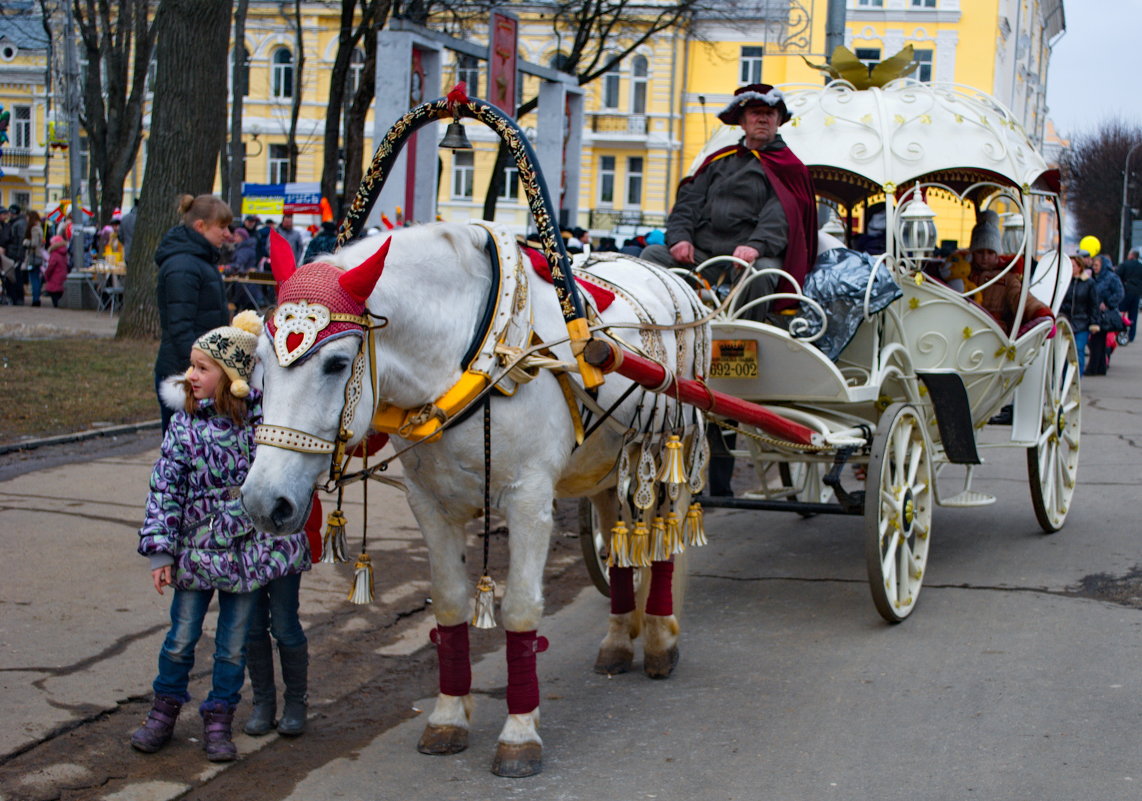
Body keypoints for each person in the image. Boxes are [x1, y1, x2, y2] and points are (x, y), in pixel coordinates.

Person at [131, 312, 312, 762]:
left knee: (232, 648)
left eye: (202, 367)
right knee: (181, 637)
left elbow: (270, 488)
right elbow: (165, 489)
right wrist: (160, 552)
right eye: (190, 366)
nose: (190, 376)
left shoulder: (263, 428)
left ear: (232, 377)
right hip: (194, 554)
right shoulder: (185, 427)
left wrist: (231, 527)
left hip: (245, 559)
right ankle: (163, 712)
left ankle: (218, 720)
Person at [641, 82, 818, 324]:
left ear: (778, 121)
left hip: (753, 256)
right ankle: (663, 331)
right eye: (756, 113)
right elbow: (687, 204)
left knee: (761, 273)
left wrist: (756, 245)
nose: (763, 119)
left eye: (770, 114)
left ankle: (742, 341)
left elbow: (781, 214)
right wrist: (680, 238)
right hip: (705, 256)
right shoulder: (717, 162)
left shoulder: (790, 168)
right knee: (653, 255)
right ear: (743, 122)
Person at [154, 194, 233, 431]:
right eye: (222, 227)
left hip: (197, 372)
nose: (228, 233)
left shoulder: (197, 261)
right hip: (185, 373)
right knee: (184, 454)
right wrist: (202, 370)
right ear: (200, 226)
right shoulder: (184, 266)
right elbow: (181, 328)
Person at [965, 210, 1052, 333]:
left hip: (994, 333)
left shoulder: (1007, 278)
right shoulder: (964, 274)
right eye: (980, 252)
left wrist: (1040, 312)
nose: (985, 257)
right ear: (972, 253)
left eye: (990, 253)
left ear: (997, 255)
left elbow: (1022, 298)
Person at [1059, 253, 1099, 378]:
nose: (1071, 268)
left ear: (1080, 267)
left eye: (1074, 265)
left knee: (1078, 350)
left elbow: (1093, 304)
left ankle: (1076, 378)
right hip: (1065, 322)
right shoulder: (1063, 281)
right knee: (1064, 352)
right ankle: (1066, 378)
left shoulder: (1089, 283)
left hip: (1082, 322)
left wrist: (1094, 322)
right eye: (1069, 266)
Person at [1087, 253, 1124, 375]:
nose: (1094, 267)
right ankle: (1100, 367)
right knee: (1098, 342)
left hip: (1103, 315)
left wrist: (1108, 303)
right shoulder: (1096, 278)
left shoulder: (1111, 277)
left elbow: (1119, 293)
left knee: (1097, 342)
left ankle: (1094, 367)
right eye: (1093, 265)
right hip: (1096, 314)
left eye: (1096, 265)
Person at [1116, 249, 1142, 344]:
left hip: (1126, 291)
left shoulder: (1125, 265)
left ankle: (1121, 332)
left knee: (1121, 313)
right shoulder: (1140, 266)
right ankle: (1131, 335)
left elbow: (1117, 276)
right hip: (1136, 293)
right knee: (1133, 315)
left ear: (1131, 256)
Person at [5, 204, 27, 305]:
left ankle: (18, 298)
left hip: (15, 254)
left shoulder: (19, 224)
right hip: (12, 253)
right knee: (13, 277)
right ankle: (15, 298)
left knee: (16, 277)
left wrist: (19, 256)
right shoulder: (14, 223)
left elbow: (20, 240)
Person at [23, 210, 46, 306]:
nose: (26, 219)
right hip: (37, 255)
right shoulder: (39, 227)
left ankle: (35, 299)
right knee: (35, 277)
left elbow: (34, 243)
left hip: (34, 256)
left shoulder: (34, 229)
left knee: (34, 278)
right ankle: (36, 298)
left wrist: (25, 242)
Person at [42, 235, 69, 307]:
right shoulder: (64, 253)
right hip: (62, 276)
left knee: (55, 297)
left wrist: (46, 274)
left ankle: (57, 306)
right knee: (59, 295)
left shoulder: (54, 254)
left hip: (54, 278)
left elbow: (50, 267)